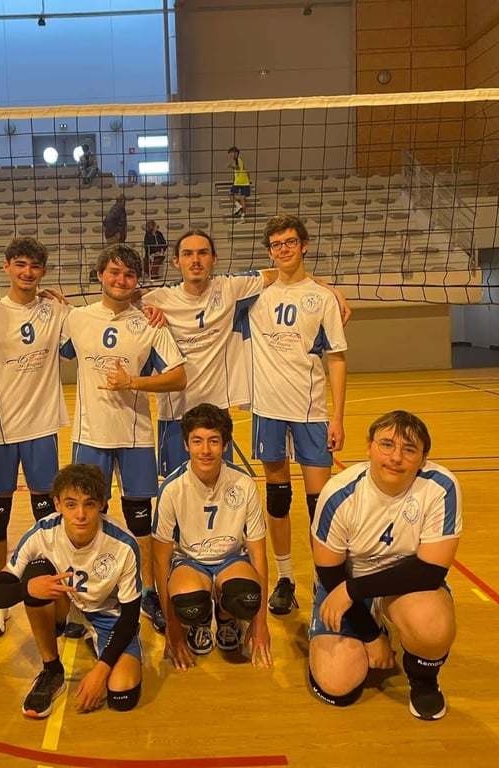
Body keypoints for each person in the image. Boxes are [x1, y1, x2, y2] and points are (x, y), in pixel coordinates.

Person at [140, 228, 349, 478]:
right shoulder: (158, 299)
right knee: (176, 488)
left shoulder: (231, 287)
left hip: (217, 412)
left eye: (203, 253)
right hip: (175, 414)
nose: (195, 260)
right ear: (176, 261)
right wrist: (145, 308)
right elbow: (124, 300)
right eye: (188, 254)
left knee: (219, 486)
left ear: (214, 258)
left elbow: (284, 272)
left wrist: (327, 287)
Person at [60, 242, 187, 635]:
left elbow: (179, 376)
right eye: (114, 272)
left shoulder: (149, 323)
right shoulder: (76, 318)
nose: (121, 280)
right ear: (100, 275)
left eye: (129, 275)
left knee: (140, 520)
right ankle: (83, 597)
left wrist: (133, 382)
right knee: (83, 516)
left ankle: (147, 591)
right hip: (89, 434)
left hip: (135, 436)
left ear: (137, 282)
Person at [309, 410, 462, 720]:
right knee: (336, 685)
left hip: (404, 585)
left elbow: (431, 571)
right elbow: (330, 572)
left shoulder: (441, 487)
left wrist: (353, 590)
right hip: (344, 581)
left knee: (432, 626)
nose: (396, 457)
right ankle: (373, 626)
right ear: (368, 446)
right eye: (387, 444)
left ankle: (423, 680)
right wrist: (371, 636)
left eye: (409, 449)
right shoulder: (338, 493)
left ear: (423, 458)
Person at [0, 237, 72, 639]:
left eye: (35, 266)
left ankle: (58, 595)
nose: (28, 272)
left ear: (43, 271)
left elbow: (84, 338)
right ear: (6, 266)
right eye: (21, 264)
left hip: (41, 427)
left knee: (48, 515)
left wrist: (66, 305)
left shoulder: (56, 311)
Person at [243, 214, 347, 617]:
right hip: (268, 409)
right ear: (269, 251)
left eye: (289, 242)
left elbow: (336, 359)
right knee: (278, 498)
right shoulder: (256, 294)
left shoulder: (322, 298)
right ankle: (285, 578)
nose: (283, 249)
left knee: (319, 503)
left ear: (304, 245)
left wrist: (337, 417)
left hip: (311, 411)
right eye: (276, 244)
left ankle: (323, 578)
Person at [0, 463, 143, 718]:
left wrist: (101, 670)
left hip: (107, 615)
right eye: (71, 504)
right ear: (57, 503)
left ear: (102, 504)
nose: (80, 514)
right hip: (67, 605)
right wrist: (28, 588)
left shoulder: (123, 545)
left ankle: (95, 638)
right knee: (36, 573)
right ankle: (52, 669)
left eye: (89, 504)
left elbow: (130, 616)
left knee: (122, 697)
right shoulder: (42, 533)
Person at [152, 404, 272, 670]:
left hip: (231, 560)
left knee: (246, 597)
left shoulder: (244, 484)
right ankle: (201, 620)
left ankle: (227, 618)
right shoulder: (172, 489)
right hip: (190, 563)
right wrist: (172, 626)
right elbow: (160, 560)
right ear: (186, 445)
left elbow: (258, 554)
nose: (205, 450)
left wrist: (260, 621)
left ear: (225, 445)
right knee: (188, 605)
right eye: (197, 441)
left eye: (213, 441)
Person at [227, 146, 251, 222]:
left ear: (236, 153)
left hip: (239, 182)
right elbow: (245, 171)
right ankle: (242, 217)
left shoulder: (237, 160)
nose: (231, 155)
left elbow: (237, 167)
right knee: (242, 198)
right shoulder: (240, 161)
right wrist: (248, 179)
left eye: (232, 153)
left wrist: (231, 166)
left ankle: (238, 205)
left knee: (230, 195)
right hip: (245, 182)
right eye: (230, 153)